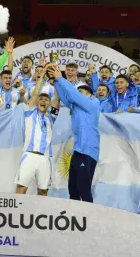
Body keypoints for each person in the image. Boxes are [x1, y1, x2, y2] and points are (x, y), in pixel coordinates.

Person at [48, 64, 100, 202]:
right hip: (78, 151)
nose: (79, 94)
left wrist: (61, 78)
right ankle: (74, 220)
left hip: (88, 151)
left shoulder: (93, 104)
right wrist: (56, 81)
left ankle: (89, 220)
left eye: (82, 92)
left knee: (84, 190)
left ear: (89, 95)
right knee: (73, 190)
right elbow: (66, 97)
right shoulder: (76, 107)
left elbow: (72, 94)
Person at [15, 65, 60, 196]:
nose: (43, 101)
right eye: (41, 99)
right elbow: (35, 93)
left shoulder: (51, 117)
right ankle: (18, 214)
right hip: (29, 155)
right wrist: (44, 72)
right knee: (21, 189)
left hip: (45, 159)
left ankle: (40, 215)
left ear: (48, 104)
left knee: (43, 191)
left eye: (46, 100)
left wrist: (55, 79)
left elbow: (57, 99)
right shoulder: (29, 112)